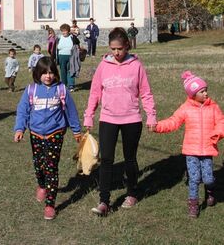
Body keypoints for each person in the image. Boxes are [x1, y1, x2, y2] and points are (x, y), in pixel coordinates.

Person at [84, 27, 157, 216]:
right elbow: (95, 92)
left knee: (130, 158)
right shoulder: (103, 66)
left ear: (127, 46)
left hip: (132, 119)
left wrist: (151, 115)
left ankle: (132, 193)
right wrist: (89, 115)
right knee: (106, 159)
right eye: (113, 49)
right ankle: (104, 201)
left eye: (120, 49)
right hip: (108, 118)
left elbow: (146, 93)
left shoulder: (136, 65)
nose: (116, 53)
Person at [14, 57, 82, 220]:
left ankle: (50, 204)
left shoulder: (61, 89)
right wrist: (19, 128)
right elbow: (23, 110)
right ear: (38, 73)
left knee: (51, 168)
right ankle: (42, 185)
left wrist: (76, 130)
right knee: (39, 164)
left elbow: (71, 111)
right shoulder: (31, 90)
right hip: (35, 134)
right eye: (44, 73)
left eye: (51, 72)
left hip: (55, 134)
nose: (48, 76)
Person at [154, 71, 224, 218]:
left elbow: (221, 122)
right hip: (191, 151)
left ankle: (210, 190)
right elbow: (173, 121)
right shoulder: (185, 108)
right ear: (192, 95)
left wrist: (218, 133)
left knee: (209, 178)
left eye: (206, 90)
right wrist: (158, 126)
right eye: (202, 91)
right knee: (194, 179)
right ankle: (193, 204)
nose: (206, 94)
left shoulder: (213, 107)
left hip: (208, 150)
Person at [56, 23, 80, 92]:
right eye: (62, 31)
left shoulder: (72, 37)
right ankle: (64, 85)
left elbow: (77, 43)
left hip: (71, 56)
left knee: (71, 70)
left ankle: (71, 85)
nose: (63, 32)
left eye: (65, 31)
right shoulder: (59, 37)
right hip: (61, 56)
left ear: (68, 31)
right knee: (63, 71)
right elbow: (55, 47)